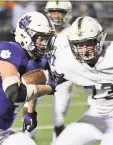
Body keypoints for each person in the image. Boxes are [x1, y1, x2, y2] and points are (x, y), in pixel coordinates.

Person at [0, 11, 58, 145]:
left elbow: (32, 84)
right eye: (40, 38)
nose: (44, 43)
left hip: (3, 132)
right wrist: (49, 88)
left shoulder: (38, 60)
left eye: (47, 39)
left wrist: (31, 112)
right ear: (25, 35)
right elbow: (14, 93)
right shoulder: (10, 52)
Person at [52, 16, 113, 145]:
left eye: (88, 43)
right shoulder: (66, 60)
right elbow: (51, 80)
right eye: (79, 45)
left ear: (100, 39)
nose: (84, 50)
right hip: (93, 117)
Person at [22, 1, 73, 143]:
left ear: (67, 13)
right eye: (52, 11)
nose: (55, 15)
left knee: (58, 117)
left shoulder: (73, 33)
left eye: (59, 11)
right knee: (27, 106)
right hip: (42, 76)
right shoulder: (42, 29)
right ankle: (28, 139)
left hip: (64, 80)